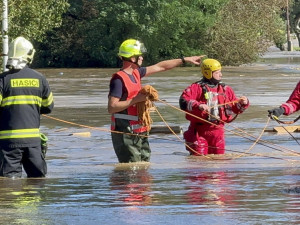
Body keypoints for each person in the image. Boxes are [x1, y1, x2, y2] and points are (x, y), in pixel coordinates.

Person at [108, 38, 202, 163]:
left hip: (140, 130)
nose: (142, 58)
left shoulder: (137, 72)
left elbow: (161, 66)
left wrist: (184, 60)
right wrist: (136, 100)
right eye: (139, 55)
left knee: (144, 167)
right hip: (125, 133)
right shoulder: (118, 80)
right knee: (131, 170)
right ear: (132, 58)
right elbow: (112, 107)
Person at [0, 36, 54, 178]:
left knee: (10, 183)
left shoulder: (3, 80)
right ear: (29, 55)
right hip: (33, 142)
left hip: (8, 143)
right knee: (37, 180)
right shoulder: (40, 79)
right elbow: (48, 106)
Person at [179, 58, 249, 155]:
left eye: (220, 72)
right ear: (208, 73)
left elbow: (235, 109)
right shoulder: (196, 87)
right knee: (198, 160)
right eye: (217, 72)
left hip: (218, 131)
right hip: (198, 131)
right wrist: (198, 105)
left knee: (219, 161)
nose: (221, 74)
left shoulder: (226, 89)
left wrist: (243, 103)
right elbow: (183, 102)